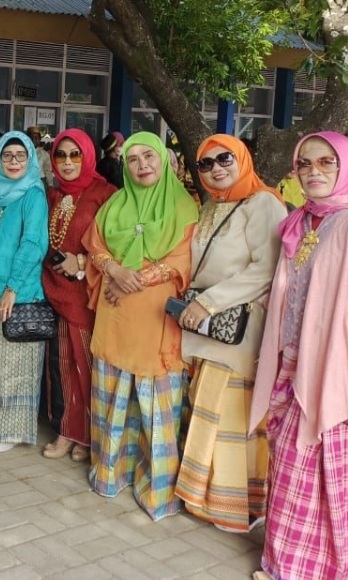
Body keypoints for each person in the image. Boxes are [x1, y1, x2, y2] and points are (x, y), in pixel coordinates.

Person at [251, 132, 348, 580]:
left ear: (345, 167)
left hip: (338, 373)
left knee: (326, 472)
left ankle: (325, 569)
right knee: (288, 467)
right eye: (305, 163)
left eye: (325, 162)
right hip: (292, 364)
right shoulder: (301, 221)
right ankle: (283, 564)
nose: (313, 171)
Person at [82, 131, 198, 521]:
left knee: (155, 403)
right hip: (116, 317)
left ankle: (157, 487)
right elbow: (95, 246)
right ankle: (111, 472)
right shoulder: (115, 203)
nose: (142, 165)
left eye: (149, 156)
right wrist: (115, 271)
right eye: (133, 159)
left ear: (165, 160)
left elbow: (183, 259)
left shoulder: (184, 206)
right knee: (113, 395)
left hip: (155, 319)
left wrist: (135, 280)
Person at [172, 135, 286, 532]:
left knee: (229, 417)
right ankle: (204, 497)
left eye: (225, 159)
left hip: (237, 326)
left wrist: (210, 302)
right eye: (206, 164)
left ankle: (237, 507)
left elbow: (267, 267)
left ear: (242, 160)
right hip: (206, 326)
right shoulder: (211, 205)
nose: (216, 169)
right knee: (207, 411)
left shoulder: (263, 203)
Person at [0, 131, 49, 452]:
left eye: (20, 156)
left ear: (30, 159)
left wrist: (13, 287)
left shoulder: (33, 195)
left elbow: (33, 244)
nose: (14, 162)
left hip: (19, 292)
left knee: (14, 364)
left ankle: (12, 429)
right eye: (7, 155)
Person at [41, 129, 116, 462]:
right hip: (54, 290)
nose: (68, 162)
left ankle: (88, 434)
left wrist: (83, 263)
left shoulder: (106, 194)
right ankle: (67, 430)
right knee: (62, 366)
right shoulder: (53, 195)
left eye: (75, 155)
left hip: (88, 295)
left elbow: (116, 246)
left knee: (87, 366)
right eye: (61, 155)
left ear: (88, 156)